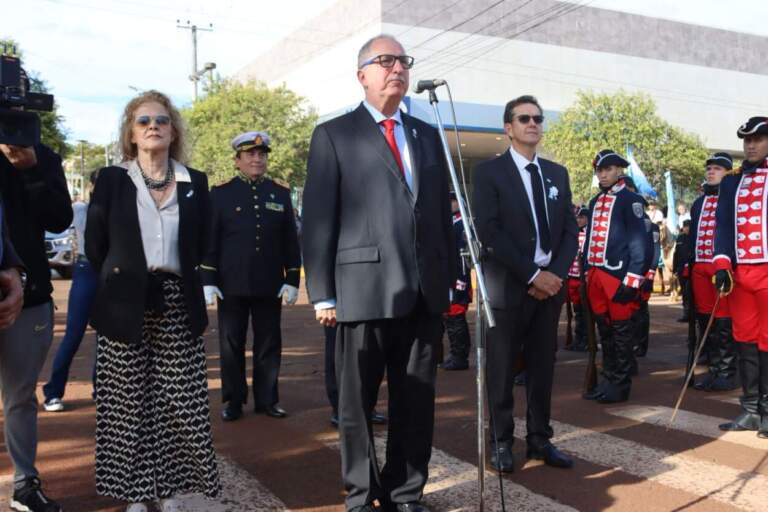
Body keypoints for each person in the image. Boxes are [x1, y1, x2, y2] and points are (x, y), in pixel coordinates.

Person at [302, 34, 454, 512]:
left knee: (416, 402)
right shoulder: (334, 134)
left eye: (403, 61)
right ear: (362, 74)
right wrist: (322, 293)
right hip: (359, 290)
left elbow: (439, 218)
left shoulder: (428, 136)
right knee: (356, 406)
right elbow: (319, 218)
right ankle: (362, 494)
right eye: (385, 61)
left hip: (422, 293)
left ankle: (406, 492)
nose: (397, 68)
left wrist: (449, 281)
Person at [86, 90, 220, 511]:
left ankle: (175, 491)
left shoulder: (194, 181)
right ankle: (138, 496)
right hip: (125, 301)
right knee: (127, 402)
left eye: (161, 120)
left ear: (173, 129)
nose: (153, 127)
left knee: (180, 402)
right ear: (131, 133)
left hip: (178, 300)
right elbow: (95, 244)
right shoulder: (111, 180)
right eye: (143, 121)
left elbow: (205, 241)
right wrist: (121, 278)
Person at [473, 95, 578, 472]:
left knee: (542, 368)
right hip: (508, 288)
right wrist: (534, 275)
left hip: (549, 292)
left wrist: (555, 276)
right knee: (501, 371)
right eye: (523, 118)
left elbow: (569, 231)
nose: (532, 124)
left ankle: (539, 439)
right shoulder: (489, 173)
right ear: (508, 128)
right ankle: (501, 442)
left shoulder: (557, 173)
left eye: (537, 118)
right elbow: (490, 232)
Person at [200, 131, 300, 422]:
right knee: (231, 344)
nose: (257, 159)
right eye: (250, 155)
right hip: (231, 284)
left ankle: (268, 399)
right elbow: (211, 241)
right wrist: (208, 280)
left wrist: (292, 278)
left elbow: (290, 241)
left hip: (269, 282)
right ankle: (233, 399)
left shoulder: (279, 193)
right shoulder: (221, 193)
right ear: (237, 160)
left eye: (262, 154)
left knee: (269, 342)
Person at [0, 139, 72, 512]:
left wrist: (29, 170)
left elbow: (59, 218)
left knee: (20, 395)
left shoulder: (40, 156)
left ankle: (25, 483)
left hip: (28, 297)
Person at [713, 116, 768, 438]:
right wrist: (722, 266)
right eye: (746, 140)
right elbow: (723, 226)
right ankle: (749, 409)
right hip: (740, 274)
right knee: (744, 338)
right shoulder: (732, 181)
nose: (750, 145)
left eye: (758, 139)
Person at [581, 150, 647, 404]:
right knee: (604, 331)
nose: (604, 174)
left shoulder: (631, 200)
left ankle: (620, 384)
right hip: (597, 274)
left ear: (619, 170)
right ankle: (608, 379)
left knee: (621, 332)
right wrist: (587, 268)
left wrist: (632, 279)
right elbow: (589, 239)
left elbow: (640, 244)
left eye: (608, 169)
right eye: (600, 170)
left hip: (617, 275)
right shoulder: (596, 201)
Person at [43, 170, 100, 411]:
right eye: (99, 184)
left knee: (107, 336)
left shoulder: (122, 209)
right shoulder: (80, 210)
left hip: (111, 273)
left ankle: (102, 389)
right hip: (86, 269)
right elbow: (57, 222)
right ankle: (53, 392)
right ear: (91, 186)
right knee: (74, 334)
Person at [688, 153, 738, 391]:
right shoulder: (698, 203)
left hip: (721, 268)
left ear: (727, 173)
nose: (711, 172)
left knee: (724, 319)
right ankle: (714, 368)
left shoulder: (733, 198)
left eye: (717, 168)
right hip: (699, 266)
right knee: (705, 319)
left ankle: (727, 371)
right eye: (709, 168)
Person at [620, 176, 659, 361]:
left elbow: (652, 251)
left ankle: (639, 344)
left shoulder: (647, 223)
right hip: (622, 272)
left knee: (639, 311)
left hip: (640, 273)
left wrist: (649, 275)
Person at [440, 191, 473, 371]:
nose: (449, 204)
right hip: (450, 277)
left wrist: (460, 281)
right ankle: (455, 354)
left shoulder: (463, 224)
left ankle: (460, 357)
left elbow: (463, 257)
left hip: (459, 278)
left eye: (452, 201)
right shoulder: (452, 222)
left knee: (456, 316)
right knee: (450, 317)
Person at [565, 205, 589, 352]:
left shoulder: (589, 235)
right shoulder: (573, 234)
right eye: (577, 217)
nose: (578, 220)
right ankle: (578, 339)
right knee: (577, 311)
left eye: (581, 217)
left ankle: (586, 340)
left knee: (585, 312)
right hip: (572, 277)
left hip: (583, 278)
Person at [674, 220, 692, 322]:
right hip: (681, 270)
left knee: (691, 293)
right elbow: (676, 254)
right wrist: (675, 268)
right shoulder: (680, 238)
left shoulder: (694, 238)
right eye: (685, 226)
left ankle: (693, 314)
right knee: (684, 293)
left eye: (688, 226)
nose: (687, 228)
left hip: (691, 270)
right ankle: (686, 314)